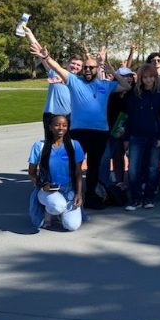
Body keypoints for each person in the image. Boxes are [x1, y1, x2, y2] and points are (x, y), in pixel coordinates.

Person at [29, 39, 131, 209]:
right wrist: (46, 57)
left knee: (94, 167)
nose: (88, 70)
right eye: (86, 67)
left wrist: (111, 70)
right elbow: (58, 68)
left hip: (100, 132)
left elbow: (126, 85)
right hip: (78, 132)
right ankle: (68, 194)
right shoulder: (75, 81)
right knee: (72, 164)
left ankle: (90, 197)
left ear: (97, 69)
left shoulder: (106, 85)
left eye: (91, 67)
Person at [123, 64, 160, 211]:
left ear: (155, 78)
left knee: (153, 169)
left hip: (155, 137)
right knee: (133, 169)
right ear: (141, 79)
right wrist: (126, 138)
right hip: (136, 137)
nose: (148, 80)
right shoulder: (135, 95)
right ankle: (135, 198)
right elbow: (128, 118)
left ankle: (148, 197)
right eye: (145, 77)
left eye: (151, 77)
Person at [27, 114, 84, 231]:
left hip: (68, 190)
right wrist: (42, 184)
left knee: (72, 226)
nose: (61, 128)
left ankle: (61, 213)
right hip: (47, 191)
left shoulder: (74, 145)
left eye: (64, 125)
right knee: (58, 206)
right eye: (57, 125)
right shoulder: (39, 146)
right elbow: (31, 172)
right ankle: (48, 211)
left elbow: (78, 172)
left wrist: (78, 193)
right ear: (50, 127)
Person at [40, 54, 82, 131]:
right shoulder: (55, 73)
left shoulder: (80, 81)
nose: (75, 66)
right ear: (67, 63)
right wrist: (41, 53)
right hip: (51, 114)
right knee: (50, 141)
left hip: (70, 116)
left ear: (81, 68)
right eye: (73, 63)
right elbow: (43, 57)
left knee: (68, 141)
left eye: (78, 65)